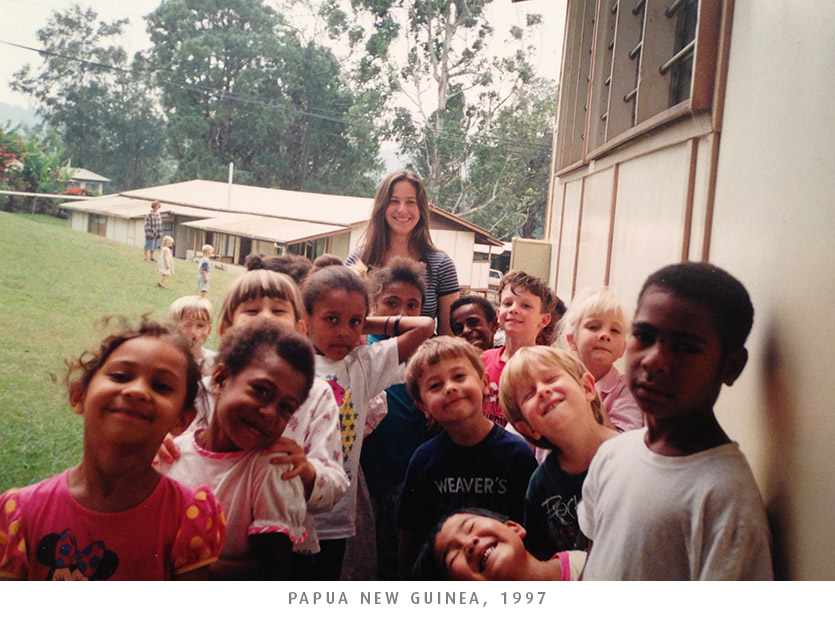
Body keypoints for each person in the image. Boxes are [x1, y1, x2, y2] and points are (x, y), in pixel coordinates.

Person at [578, 262, 774, 580]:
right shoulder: (613, 454)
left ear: (732, 367)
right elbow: (593, 562)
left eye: (684, 347)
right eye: (643, 335)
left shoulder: (726, 501)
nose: (654, 360)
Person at [159, 266, 349, 576]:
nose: (265, 317)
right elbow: (176, 443)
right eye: (251, 310)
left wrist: (307, 472)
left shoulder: (315, 393)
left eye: (278, 310)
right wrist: (159, 445)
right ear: (225, 330)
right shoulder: (203, 385)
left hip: (284, 545)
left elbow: (337, 482)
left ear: (301, 329)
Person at [0, 319, 225, 580]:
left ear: (182, 420)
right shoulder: (19, 514)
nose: (138, 390)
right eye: (120, 376)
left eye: (161, 386)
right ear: (79, 396)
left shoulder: (188, 517)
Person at [301, 263, 435, 579]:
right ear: (304, 321)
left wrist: (364, 322)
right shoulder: (293, 361)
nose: (344, 332)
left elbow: (426, 326)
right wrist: (353, 317)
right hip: (292, 509)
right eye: (331, 319)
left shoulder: (362, 365)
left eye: (354, 322)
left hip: (336, 516)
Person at [158, 320, 314, 579]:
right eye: (261, 390)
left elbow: (271, 572)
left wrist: (185, 566)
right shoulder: (170, 453)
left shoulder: (271, 468)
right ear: (220, 378)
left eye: (286, 407)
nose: (269, 413)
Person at [397, 336, 537, 577]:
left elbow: (533, 529)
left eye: (459, 376)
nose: (450, 387)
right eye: (435, 385)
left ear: (484, 383)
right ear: (423, 406)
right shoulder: (423, 459)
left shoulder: (516, 453)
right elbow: (409, 533)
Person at [360, 257, 439, 580]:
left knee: (393, 561)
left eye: (412, 305)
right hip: (362, 473)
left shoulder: (426, 353)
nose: (403, 314)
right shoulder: (362, 347)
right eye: (392, 303)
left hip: (402, 475)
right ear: (373, 305)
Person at [499, 346, 617, 558]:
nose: (543, 391)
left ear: (588, 388)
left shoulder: (634, 455)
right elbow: (542, 556)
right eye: (528, 394)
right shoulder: (540, 487)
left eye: (551, 379)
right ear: (528, 429)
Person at [345, 169, 460, 335]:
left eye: (411, 202)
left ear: (421, 208)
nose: (402, 210)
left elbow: (448, 336)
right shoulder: (358, 261)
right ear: (382, 207)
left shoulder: (441, 265)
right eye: (394, 201)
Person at [413, 508, 586, 581]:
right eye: (453, 557)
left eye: (470, 527)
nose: (468, 544)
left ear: (514, 528)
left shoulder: (590, 561)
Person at [557, 288, 642, 432]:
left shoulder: (627, 390)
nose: (605, 335)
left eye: (615, 330)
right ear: (572, 339)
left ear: (623, 348)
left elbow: (622, 443)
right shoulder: (552, 379)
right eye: (593, 327)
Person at [481, 270, 555, 427]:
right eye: (507, 303)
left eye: (526, 305)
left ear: (544, 320)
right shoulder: (484, 360)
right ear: (499, 313)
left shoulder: (548, 367)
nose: (513, 309)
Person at [169, 295, 216, 374]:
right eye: (187, 325)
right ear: (174, 329)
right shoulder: (168, 359)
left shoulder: (215, 361)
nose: (193, 332)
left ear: (209, 330)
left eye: (200, 326)